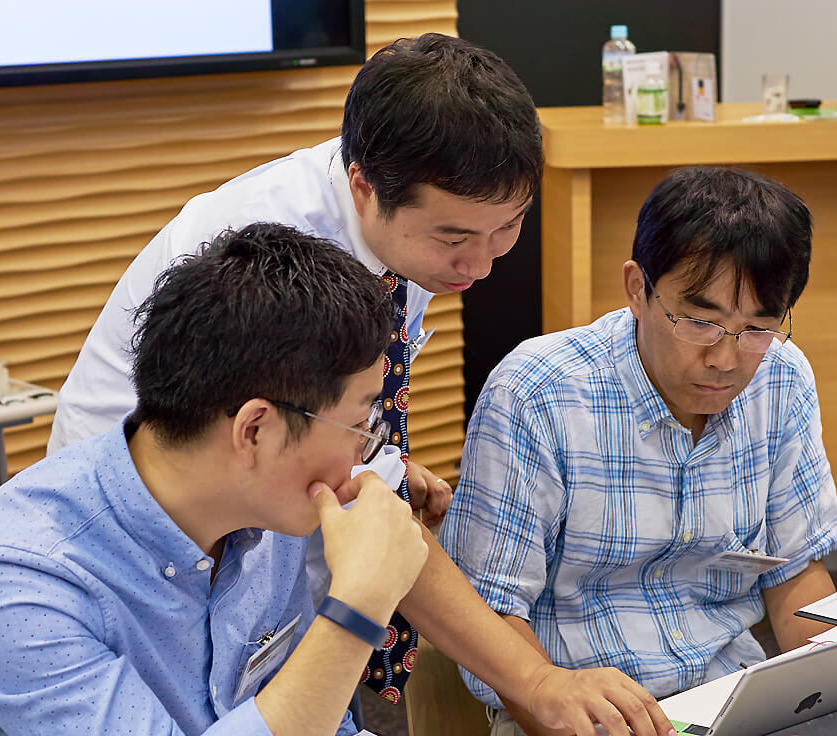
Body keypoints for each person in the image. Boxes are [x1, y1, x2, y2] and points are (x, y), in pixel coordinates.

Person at [43, 34, 675, 736]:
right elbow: (358, 510)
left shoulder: (406, 230)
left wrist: (370, 454)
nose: (484, 262)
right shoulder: (278, 254)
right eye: (455, 237)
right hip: (160, 546)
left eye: (509, 227)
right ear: (364, 184)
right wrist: (533, 680)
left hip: (258, 530)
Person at [0, 224, 431, 735]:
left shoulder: (268, 513)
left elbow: (315, 716)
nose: (365, 453)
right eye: (359, 425)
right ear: (255, 430)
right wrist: (359, 606)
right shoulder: (12, 581)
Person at [440, 166, 837, 736]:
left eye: (757, 328)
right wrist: (552, 701)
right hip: (578, 708)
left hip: (731, 696)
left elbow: (793, 569)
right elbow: (491, 608)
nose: (726, 359)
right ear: (638, 288)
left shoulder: (781, 378)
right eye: (700, 322)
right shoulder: (538, 394)